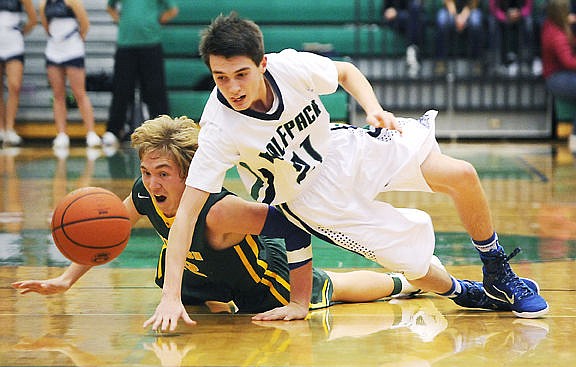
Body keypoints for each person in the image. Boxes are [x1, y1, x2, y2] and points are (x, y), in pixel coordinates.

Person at [146, 13, 548, 331]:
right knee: (414, 266)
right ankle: (464, 292)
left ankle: (498, 270)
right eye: (221, 78)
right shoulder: (218, 128)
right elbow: (186, 216)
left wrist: (373, 108)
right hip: (312, 200)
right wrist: (171, 296)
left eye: (241, 75)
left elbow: (346, 73)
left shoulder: (290, 67)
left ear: (262, 64)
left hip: (342, 148)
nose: (232, 88)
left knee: (461, 174)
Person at [11, 115, 423, 322]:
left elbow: (295, 227)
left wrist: (299, 300)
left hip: (262, 279)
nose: (152, 183)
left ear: (189, 174)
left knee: (334, 287)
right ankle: (204, 301)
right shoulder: (143, 194)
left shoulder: (222, 210)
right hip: (198, 272)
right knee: (183, 279)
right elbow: (103, 236)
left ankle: (406, 281)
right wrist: (65, 279)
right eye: (146, 172)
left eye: (164, 174)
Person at [102, 0, 179, 148]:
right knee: (121, 89)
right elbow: (110, 7)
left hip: (151, 44)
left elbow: (172, 10)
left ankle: (164, 131)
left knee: (155, 90)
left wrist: (153, 22)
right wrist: (123, 22)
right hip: (125, 45)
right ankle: (113, 130)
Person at [39, 0, 100, 148]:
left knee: (79, 92)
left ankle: (91, 133)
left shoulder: (73, 2)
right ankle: (61, 134)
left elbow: (85, 24)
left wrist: (76, 41)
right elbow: (46, 26)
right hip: (53, 50)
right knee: (58, 94)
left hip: (73, 49)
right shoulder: (43, 4)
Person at [0, 0, 36, 146]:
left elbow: (33, 19)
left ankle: (10, 128)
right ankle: (1, 129)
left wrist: (19, 33)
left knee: (14, 86)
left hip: (13, 44)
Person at [541, 0, 576, 148]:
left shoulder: (551, 25)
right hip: (556, 78)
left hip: (562, 76)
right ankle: (575, 137)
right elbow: (568, 61)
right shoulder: (556, 33)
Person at [435, 0, 485, 75]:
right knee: (442, 21)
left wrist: (463, 16)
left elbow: (474, 2)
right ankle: (440, 62)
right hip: (450, 10)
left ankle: (477, 62)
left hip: (471, 9)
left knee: (475, 23)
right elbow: (448, 2)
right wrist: (456, 17)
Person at [488, 0, 535, 76]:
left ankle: (528, 61)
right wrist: (505, 17)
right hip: (501, 15)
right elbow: (493, 8)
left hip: (520, 15)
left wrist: (519, 14)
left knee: (529, 24)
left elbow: (528, 7)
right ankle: (499, 62)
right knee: (493, 24)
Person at [381, 0, 425, 77]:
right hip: (398, 18)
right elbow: (387, 11)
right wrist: (394, 12)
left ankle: (411, 52)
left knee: (414, 15)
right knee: (414, 20)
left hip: (412, 17)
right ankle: (413, 51)